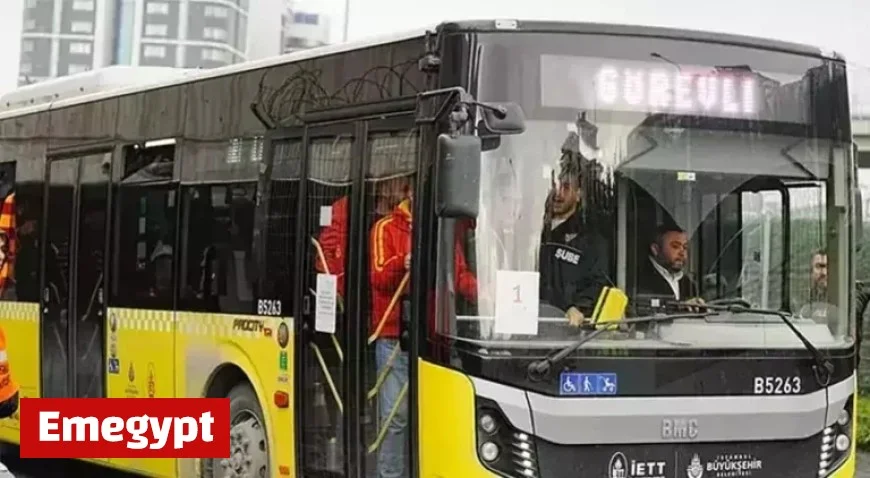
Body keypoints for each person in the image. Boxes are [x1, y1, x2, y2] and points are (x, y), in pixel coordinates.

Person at [368, 178, 476, 478]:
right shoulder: (385, 228)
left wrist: (491, 295)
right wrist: (402, 263)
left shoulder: (441, 231)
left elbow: (459, 275)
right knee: (396, 416)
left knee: (436, 413)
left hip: (434, 338)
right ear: (409, 193)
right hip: (395, 338)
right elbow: (378, 276)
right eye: (417, 190)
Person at [538, 155, 610, 326]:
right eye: (553, 185)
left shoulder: (591, 240)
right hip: (526, 320)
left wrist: (578, 308)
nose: (557, 193)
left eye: (566, 187)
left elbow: (597, 283)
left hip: (569, 329)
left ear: (578, 195)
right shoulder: (529, 229)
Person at [637, 225, 703, 305]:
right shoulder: (638, 280)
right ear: (655, 249)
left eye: (685, 247)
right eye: (675, 246)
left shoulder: (688, 284)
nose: (682, 253)